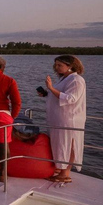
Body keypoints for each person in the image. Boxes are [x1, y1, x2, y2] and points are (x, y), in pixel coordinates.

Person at [42, 55, 86, 183]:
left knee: (68, 143)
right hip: (58, 117)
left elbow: (71, 98)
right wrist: (47, 93)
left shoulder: (76, 80)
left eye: (60, 65)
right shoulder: (64, 79)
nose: (56, 68)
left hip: (69, 118)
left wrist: (51, 88)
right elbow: (59, 94)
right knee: (59, 143)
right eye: (56, 65)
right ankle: (60, 167)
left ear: (70, 66)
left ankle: (65, 173)